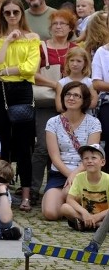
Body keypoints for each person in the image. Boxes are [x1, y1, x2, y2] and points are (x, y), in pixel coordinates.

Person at [0, 0, 41, 211]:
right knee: (2, 142)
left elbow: (30, 68)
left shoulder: (32, 37)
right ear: (2, 15)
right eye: (6, 13)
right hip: (1, 92)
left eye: (15, 12)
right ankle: (3, 190)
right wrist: (7, 41)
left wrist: (5, 71)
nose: (11, 16)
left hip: (22, 90)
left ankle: (26, 194)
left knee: (24, 144)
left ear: (21, 13)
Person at [33, 9, 79, 200]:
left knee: (70, 147)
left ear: (70, 28)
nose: (58, 27)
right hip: (46, 102)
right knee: (43, 147)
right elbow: (33, 74)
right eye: (55, 24)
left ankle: (68, 185)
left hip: (72, 105)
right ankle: (33, 189)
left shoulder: (76, 48)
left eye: (63, 24)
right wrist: (57, 85)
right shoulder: (41, 47)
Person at [41, 82, 101, 221]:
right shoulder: (53, 122)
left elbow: (91, 155)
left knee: (68, 194)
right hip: (59, 172)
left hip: (85, 172)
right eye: (68, 94)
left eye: (76, 95)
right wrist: (69, 175)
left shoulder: (94, 123)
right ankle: (72, 209)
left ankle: (76, 211)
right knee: (50, 213)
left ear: (84, 100)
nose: (71, 98)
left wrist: (74, 175)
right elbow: (54, 156)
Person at [63, 144, 109, 234]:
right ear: (82, 162)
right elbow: (69, 199)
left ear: (102, 162)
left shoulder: (107, 179)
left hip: (104, 215)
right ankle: (98, 225)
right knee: (65, 207)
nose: (89, 161)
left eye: (93, 158)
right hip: (86, 215)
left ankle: (88, 224)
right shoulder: (79, 177)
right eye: (86, 158)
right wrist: (84, 212)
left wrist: (97, 217)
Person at [55, 47, 97, 113]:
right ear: (67, 62)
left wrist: (74, 106)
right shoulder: (61, 83)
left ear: (85, 63)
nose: (75, 64)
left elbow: (93, 103)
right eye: (72, 60)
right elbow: (59, 107)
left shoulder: (90, 82)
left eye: (79, 61)